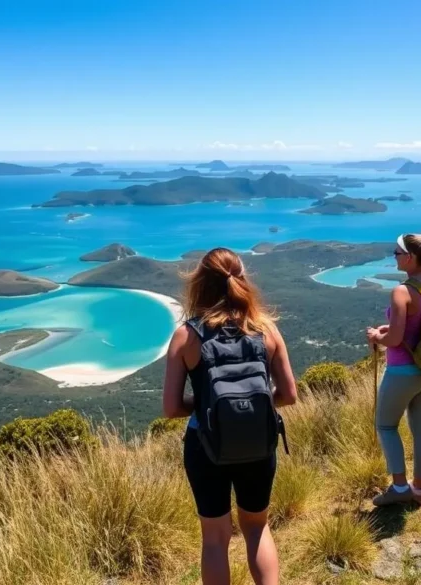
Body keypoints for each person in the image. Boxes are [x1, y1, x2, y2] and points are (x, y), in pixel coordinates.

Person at [162, 247, 299, 585]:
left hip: (205, 445)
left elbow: (171, 408)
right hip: (258, 441)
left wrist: (208, 406)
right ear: (242, 279)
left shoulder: (186, 336)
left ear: (200, 285)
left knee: (215, 538)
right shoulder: (266, 329)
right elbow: (289, 395)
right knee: (257, 527)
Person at [366, 229, 421, 506]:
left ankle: (399, 489)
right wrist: (391, 329)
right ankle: (419, 489)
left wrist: (377, 336)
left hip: (403, 370)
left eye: (397, 253)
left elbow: (396, 339)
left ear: (409, 258)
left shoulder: (401, 291)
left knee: (386, 425)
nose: (394, 257)